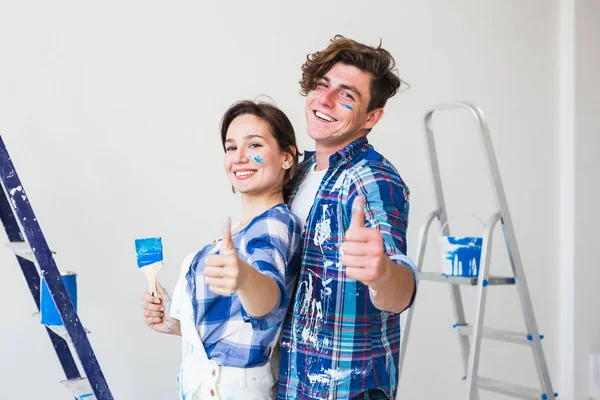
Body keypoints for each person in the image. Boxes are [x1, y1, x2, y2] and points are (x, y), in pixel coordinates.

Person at [278, 35, 417, 400]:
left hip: (346, 390)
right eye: (322, 85)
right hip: (292, 383)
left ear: (372, 117)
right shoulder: (298, 171)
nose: (324, 100)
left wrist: (382, 271)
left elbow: (398, 289)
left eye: (346, 95)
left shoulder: (372, 178)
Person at [142, 100, 301, 400]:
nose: (239, 157)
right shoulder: (245, 229)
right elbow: (236, 329)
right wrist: (177, 324)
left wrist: (245, 278)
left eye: (254, 144)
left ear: (287, 157)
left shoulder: (273, 225)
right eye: (231, 147)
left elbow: (268, 305)